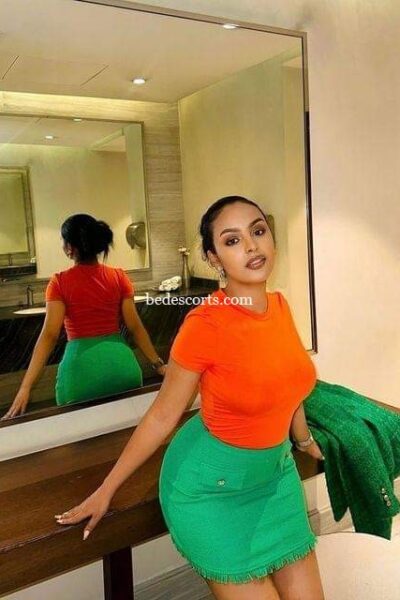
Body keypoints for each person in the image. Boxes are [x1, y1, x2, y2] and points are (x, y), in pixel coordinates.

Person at [53, 198, 325, 600]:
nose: (251, 246)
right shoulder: (205, 324)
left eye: (258, 231)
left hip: (274, 477)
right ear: (214, 258)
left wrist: (303, 441)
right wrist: (106, 489)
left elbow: (288, 386)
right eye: (232, 240)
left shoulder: (281, 306)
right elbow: (162, 416)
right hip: (211, 488)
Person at [2, 213, 166, 419]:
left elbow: (49, 335)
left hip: (81, 375)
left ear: (70, 248)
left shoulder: (60, 282)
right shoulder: (119, 277)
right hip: (123, 370)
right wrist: (159, 365)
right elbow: (135, 327)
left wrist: (25, 387)